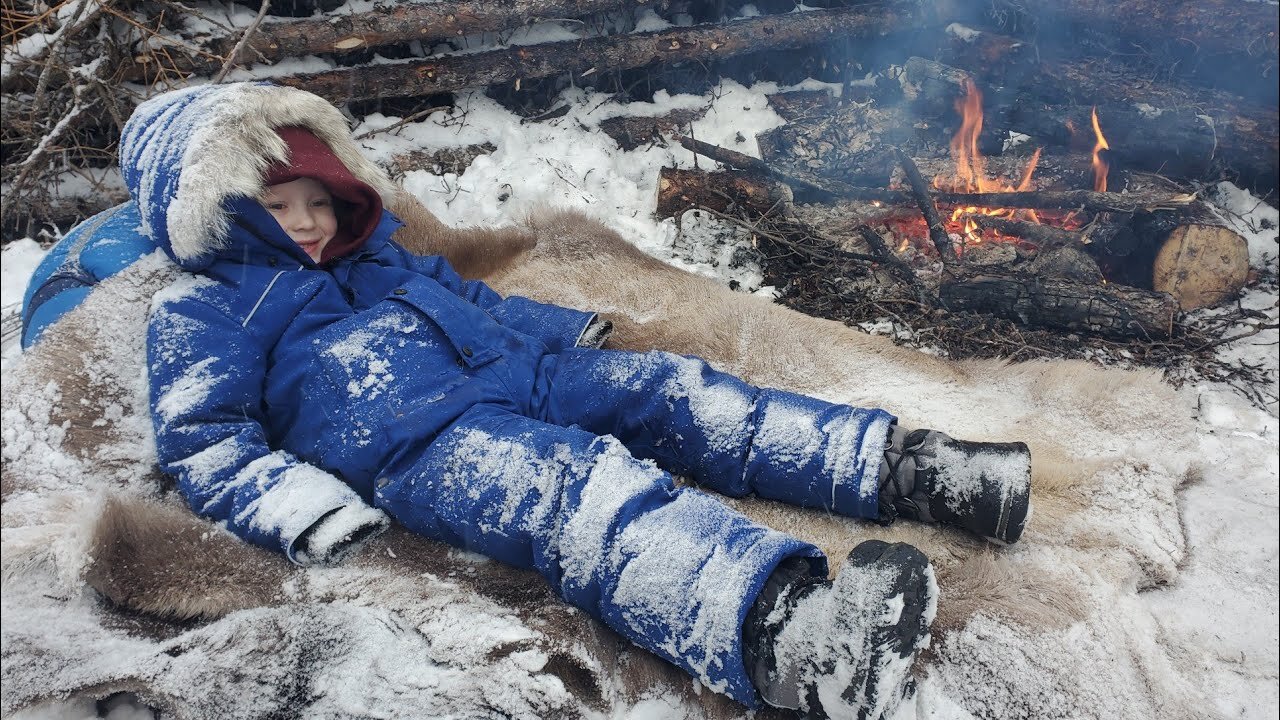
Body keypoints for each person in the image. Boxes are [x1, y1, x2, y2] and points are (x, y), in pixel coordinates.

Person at [56, 83, 1032, 719]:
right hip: (425, 444)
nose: (310, 222)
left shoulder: (382, 253)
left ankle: (910, 470)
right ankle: (788, 635)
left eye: (322, 199)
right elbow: (206, 444)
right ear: (217, 204)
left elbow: (475, 304)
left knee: (675, 393)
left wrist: (560, 340)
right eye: (280, 204)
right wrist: (306, 512)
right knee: (581, 493)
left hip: (521, 374)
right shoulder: (210, 308)